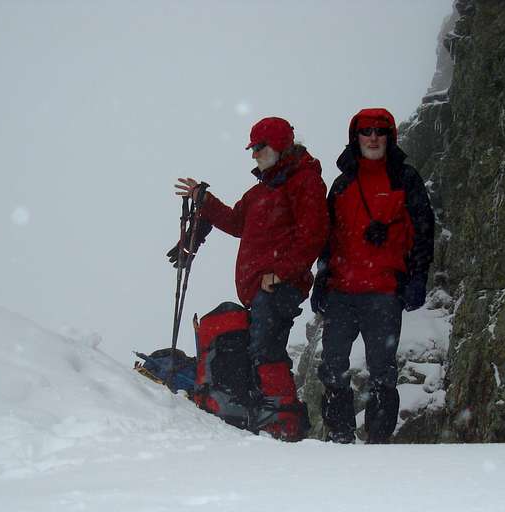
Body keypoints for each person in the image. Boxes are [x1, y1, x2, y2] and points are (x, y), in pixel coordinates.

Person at [174, 116, 329, 441]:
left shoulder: (304, 181)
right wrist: (206, 201)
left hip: (279, 284)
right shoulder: (261, 191)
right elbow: (235, 222)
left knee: (265, 346)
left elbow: (312, 235)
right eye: (253, 149)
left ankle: (281, 417)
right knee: (261, 345)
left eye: (259, 148)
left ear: (279, 146)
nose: (254, 154)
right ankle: (272, 412)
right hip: (260, 287)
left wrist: (279, 273)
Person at [310, 108, 435, 444]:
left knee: (382, 371)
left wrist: (418, 277)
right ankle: (341, 436)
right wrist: (321, 278)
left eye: (380, 131)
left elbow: (424, 231)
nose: (373, 137)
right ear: (356, 137)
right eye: (366, 131)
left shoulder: (405, 178)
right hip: (341, 291)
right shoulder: (342, 183)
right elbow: (328, 236)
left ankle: (378, 444)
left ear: (390, 136)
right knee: (333, 366)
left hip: (384, 291)